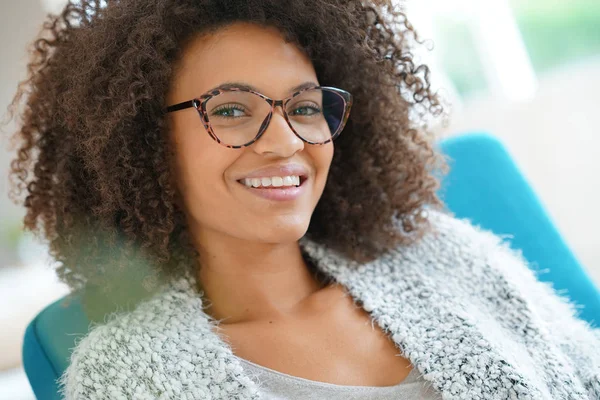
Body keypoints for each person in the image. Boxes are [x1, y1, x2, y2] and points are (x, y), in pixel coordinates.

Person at [6, 0, 599, 399]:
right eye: (232, 110)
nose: (287, 141)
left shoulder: (443, 253)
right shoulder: (125, 377)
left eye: (305, 106)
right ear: (140, 142)